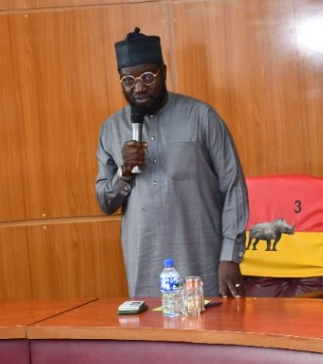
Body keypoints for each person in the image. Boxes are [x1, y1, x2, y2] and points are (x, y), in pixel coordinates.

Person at [95, 28, 249, 298]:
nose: (138, 87)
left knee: (209, 322)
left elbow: (233, 187)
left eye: (147, 76)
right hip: (145, 263)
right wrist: (125, 171)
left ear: (163, 72)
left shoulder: (201, 117)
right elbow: (105, 201)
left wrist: (230, 256)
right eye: (128, 80)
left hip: (202, 257)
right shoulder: (111, 128)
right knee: (152, 324)